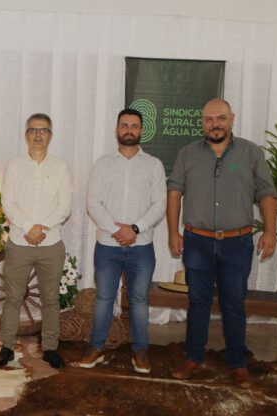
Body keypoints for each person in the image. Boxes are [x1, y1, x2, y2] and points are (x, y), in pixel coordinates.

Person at [167, 99, 277, 389]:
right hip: (197, 242)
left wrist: (271, 231)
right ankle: (192, 358)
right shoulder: (187, 153)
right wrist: (172, 232)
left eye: (221, 118)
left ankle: (238, 364)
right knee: (198, 302)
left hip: (237, 243)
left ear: (232, 119)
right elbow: (175, 192)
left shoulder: (251, 153)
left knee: (234, 304)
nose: (215, 124)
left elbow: (266, 192)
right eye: (209, 119)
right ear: (202, 122)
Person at [79, 108, 166, 373]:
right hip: (107, 246)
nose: (129, 130)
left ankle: (140, 350)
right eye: (124, 125)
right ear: (117, 129)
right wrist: (116, 230)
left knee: (139, 299)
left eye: (134, 125)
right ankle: (96, 346)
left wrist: (135, 229)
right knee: (104, 298)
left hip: (142, 247)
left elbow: (159, 204)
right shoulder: (102, 164)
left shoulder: (153, 165)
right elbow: (93, 203)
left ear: (142, 130)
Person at [0, 113, 72, 369]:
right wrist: (29, 227)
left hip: (51, 244)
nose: (38, 134)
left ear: (50, 135)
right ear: (26, 135)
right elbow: (8, 203)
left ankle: (50, 348)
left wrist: (42, 228)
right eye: (34, 130)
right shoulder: (15, 165)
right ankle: (7, 347)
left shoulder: (60, 166)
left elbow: (65, 205)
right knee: (12, 298)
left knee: (51, 300)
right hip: (19, 242)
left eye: (43, 130)